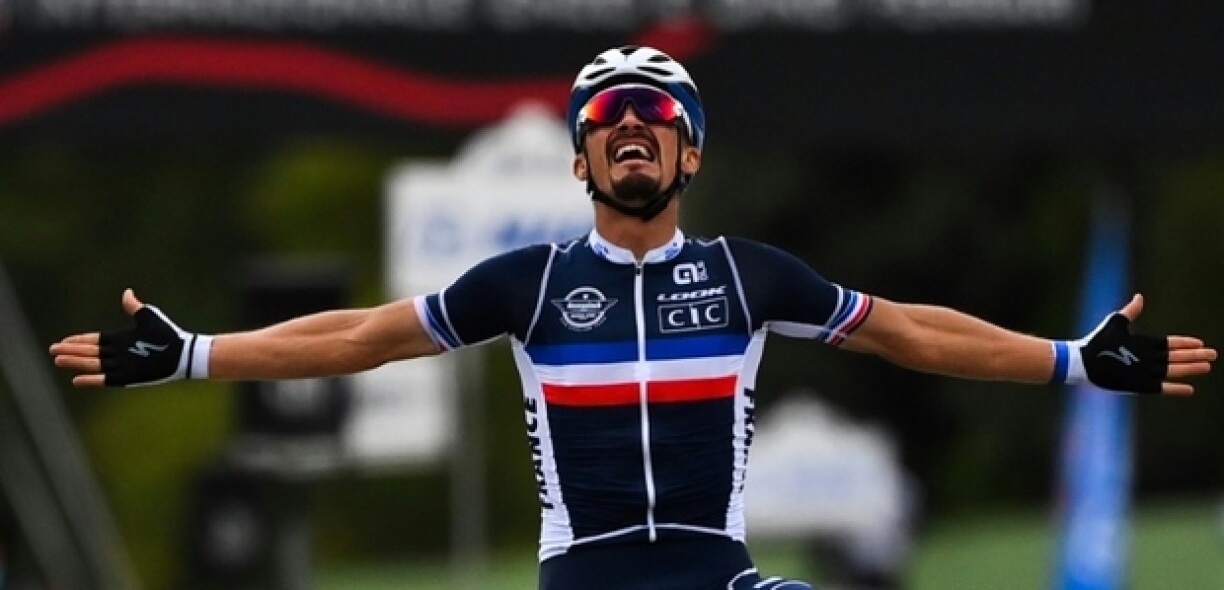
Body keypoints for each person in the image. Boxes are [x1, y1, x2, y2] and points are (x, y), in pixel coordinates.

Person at [51, 45, 1215, 590]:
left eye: (655, 115)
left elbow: (912, 330)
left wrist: (1073, 359)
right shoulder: (528, 283)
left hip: (720, 578)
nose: (629, 128)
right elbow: (357, 336)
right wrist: (193, 352)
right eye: (605, 118)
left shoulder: (750, 274)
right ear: (580, 159)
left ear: (689, 152)